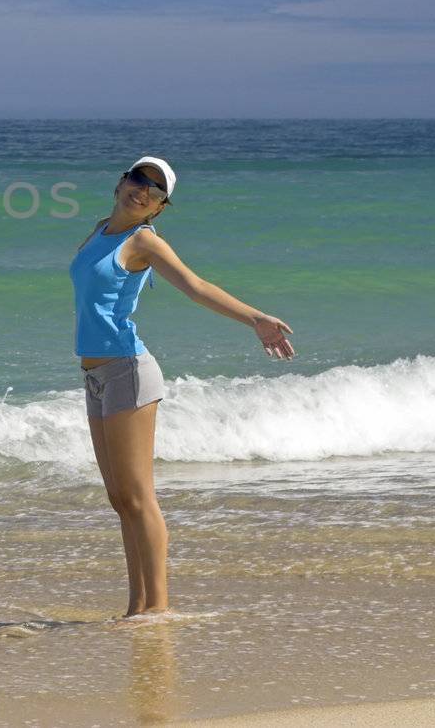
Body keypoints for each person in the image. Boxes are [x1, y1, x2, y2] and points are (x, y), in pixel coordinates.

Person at [69, 155, 295, 618]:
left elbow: (195, 286)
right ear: (120, 181)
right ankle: (137, 607)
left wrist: (256, 319)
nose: (142, 191)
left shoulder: (145, 242)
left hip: (127, 371)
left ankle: (159, 608)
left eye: (154, 190)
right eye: (138, 179)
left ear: (159, 207)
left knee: (138, 496)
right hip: (95, 375)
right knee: (118, 499)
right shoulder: (98, 230)